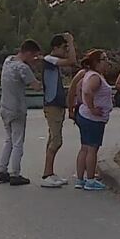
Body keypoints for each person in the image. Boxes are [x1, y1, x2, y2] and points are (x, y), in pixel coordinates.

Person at [0, 39, 43, 186]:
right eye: (34, 56)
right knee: (18, 142)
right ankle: (15, 173)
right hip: (17, 108)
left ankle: (2, 170)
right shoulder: (23, 68)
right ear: (28, 53)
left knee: (9, 139)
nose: (34, 59)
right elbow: (36, 87)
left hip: (4, 106)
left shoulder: (8, 61)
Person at [39, 33, 76, 188]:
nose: (66, 51)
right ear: (55, 48)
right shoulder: (49, 59)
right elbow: (72, 61)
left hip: (57, 104)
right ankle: (47, 174)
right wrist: (71, 42)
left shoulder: (53, 62)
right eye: (63, 48)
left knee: (52, 139)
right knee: (56, 140)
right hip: (52, 105)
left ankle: (50, 172)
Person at [74, 50, 113, 191]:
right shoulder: (95, 77)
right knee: (92, 149)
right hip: (92, 118)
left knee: (84, 147)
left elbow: (79, 88)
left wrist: (82, 104)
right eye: (104, 59)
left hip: (85, 116)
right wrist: (92, 108)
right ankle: (90, 180)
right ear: (97, 62)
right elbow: (87, 91)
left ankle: (80, 179)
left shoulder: (88, 75)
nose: (107, 62)